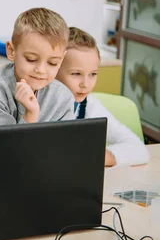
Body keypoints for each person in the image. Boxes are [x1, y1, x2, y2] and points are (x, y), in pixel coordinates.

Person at [56, 27, 149, 167]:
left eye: (93, 74)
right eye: (76, 74)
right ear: (53, 70)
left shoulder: (90, 108)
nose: (85, 84)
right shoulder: (35, 105)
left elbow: (140, 150)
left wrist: (103, 156)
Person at [0, 8, 75, 125]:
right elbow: (6, 143)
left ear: (61, 59)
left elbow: (65, 141)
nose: (41, 70)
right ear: (11, 51)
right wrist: (30, 115)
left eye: (52, 63)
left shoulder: (63, 97)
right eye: (31, 59)